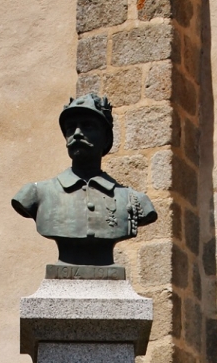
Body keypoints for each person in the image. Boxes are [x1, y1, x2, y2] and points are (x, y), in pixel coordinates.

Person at [12, 94, 157, 266]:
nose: (77, 134)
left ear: (106, 139)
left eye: (88, 126)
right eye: (71, 128)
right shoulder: (36, 194)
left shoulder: (134, 200)